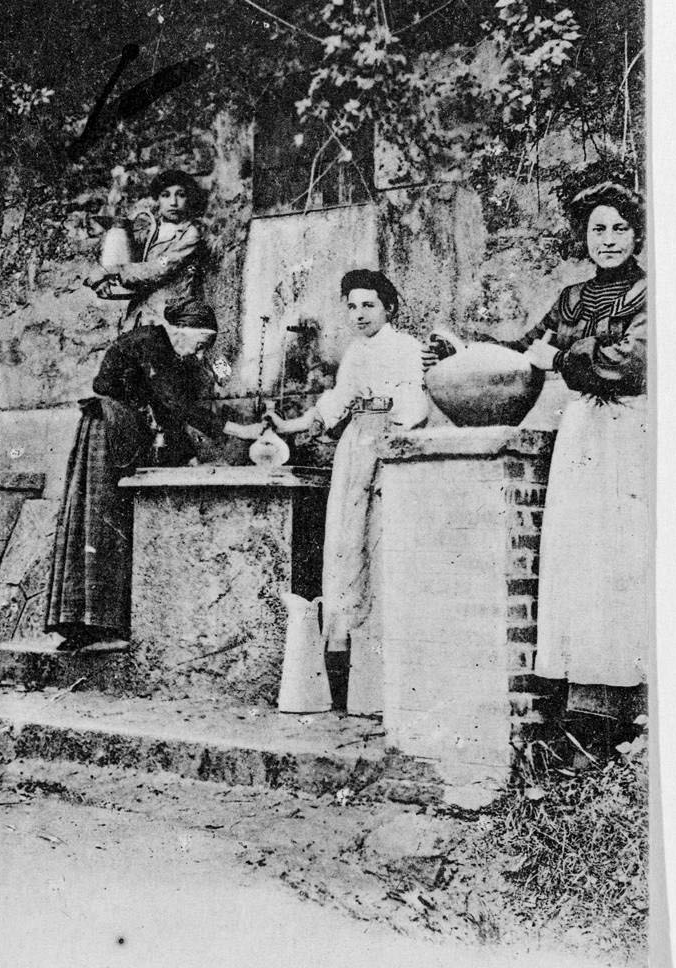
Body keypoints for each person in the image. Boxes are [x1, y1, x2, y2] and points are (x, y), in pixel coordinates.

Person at [506, 182, 647, 758]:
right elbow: (525, 349)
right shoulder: (571, 298)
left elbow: (635, 362)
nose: (608, 239)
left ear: (637, 233)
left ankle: (633, 701)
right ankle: (585, 711)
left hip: (632, 434)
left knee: (623, 556)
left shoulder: (651, 290)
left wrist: (562, 359)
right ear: (582, 237)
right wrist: (463, 350)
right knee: (579, 557)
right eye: (597, 229)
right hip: (584, 436)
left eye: (618, 228)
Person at [44, 296, 263, 651]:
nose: (199, 354)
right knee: (98, 522)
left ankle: (101, 625)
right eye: (201, 344)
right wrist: (241, 431)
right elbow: (174, 404)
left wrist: (189, 456)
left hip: (126, 432)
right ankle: (84, 625)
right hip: (107, 431)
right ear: (181, 330)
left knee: (114, 522)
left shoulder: (168, 354)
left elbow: (170, 412)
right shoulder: (149, 343)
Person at [268, 270, 427, 713]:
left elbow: (416, 406)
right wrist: (290, 424)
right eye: (352, 306)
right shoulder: (356, 353)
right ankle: (350, 678)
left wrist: (386, 412)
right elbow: (336, 403)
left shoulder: (408, 349)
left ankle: (388, 682)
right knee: (347, 547)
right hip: (355, 450)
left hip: (391, 452)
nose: (359, 314)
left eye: (369, 305)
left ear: (389, 309)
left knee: (382, 549)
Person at [85, 168, 206, 330]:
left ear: (189, 199)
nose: (173, 202)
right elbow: (125, 259)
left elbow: (160, 267)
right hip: (141, 313)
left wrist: (110, 270)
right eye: (166, 195)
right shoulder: (152, 230)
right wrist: (104, 279)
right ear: (158, 200)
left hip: (171, 317)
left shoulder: (190, 234)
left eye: (181, 195)